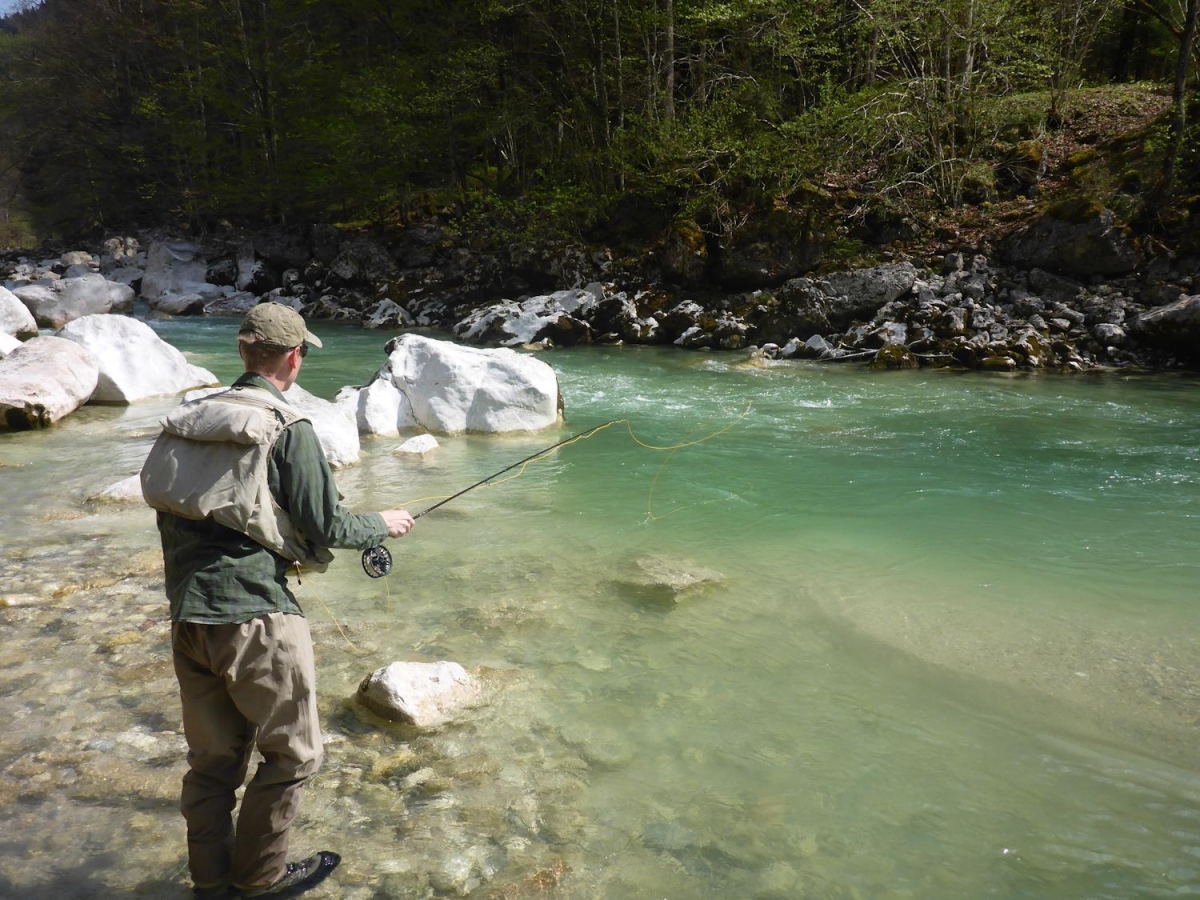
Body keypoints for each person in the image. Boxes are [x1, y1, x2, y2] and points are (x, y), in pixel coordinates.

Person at [140, 303, 415, 898]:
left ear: (243, 353)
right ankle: (260, 880)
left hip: (189, 617)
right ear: (294, 357)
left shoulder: (188, 419)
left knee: (213, 763)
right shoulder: (288, 428)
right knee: (293, 756)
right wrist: (382, 523)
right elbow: (324, 526)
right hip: (255, 616)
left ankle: (210, 881)